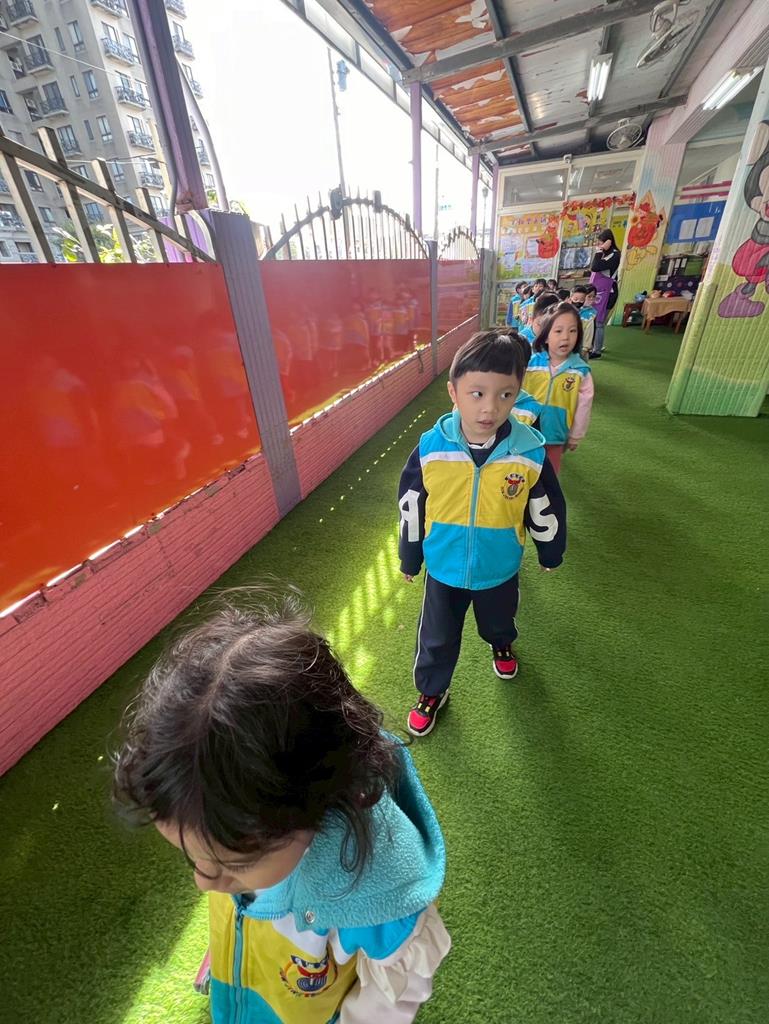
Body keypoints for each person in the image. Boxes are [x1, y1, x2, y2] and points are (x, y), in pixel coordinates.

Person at [112, 589, 450, 1023]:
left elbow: (396, 991)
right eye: (190, 857)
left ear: (316, 806)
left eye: (233, 864)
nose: (203, 883)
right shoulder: (239, 826)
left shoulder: (378, 895)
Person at [397, 330, 566, 738]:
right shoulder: (431, 447)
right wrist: (410, 556)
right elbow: (411, 505)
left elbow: (545, 505)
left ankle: (501, 643)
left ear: (517, 393)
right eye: (477, 394)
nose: (490, 408)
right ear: (453, 392)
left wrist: (550, 551)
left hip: (499, 566)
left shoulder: (528, 452)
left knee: (498, 620)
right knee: (436, 638)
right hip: (443, 568)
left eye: (505, 395)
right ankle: (432, 690)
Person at [523, 303, 594, 474]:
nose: (566, 337)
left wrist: (575, 435)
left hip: (555, 435)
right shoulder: (530, 364)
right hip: (525, 432)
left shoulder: (580, 371)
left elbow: (584, 407)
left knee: (550, 476)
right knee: (523, 472)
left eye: (572, 331)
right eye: (558, 331)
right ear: (546, 336)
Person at [589, 229, 621, 359]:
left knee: (599, 322)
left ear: (609, 241)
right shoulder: (604, 254)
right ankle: (595, 345)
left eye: (601, 242)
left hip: (608, 294)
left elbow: (595, 267)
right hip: (597, 292)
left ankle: (597, 351)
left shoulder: (615, 255)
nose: (599, 245)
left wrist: (599, 250)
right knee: (593, 320)